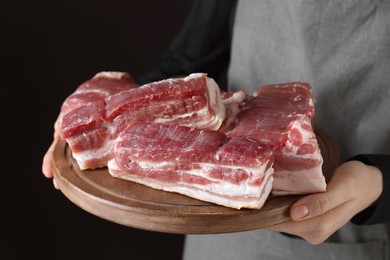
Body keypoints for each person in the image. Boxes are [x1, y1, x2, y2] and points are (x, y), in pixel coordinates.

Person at [43, 0, 390, 259]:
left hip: (355, 233)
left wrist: (379, 184)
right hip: (221, 218)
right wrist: (115, 114)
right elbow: (188, 60)